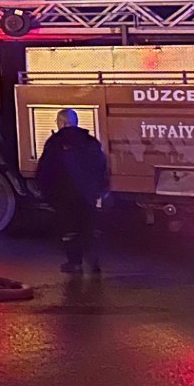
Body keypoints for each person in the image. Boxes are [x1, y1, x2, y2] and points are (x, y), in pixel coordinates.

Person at [37, 108, 108, 274]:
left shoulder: (55, 142)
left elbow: (46, 169)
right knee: (89, 229)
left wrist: (47, 192)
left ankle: (74, 263)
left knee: (70, 230)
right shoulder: (90, 141)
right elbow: (101, 166)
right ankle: (94, 263)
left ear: (61, 122)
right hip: (88, 195)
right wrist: (98, 190)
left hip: (64, 195)